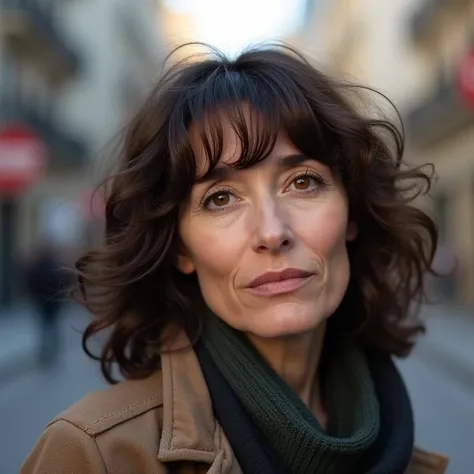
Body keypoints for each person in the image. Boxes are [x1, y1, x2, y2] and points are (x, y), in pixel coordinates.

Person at [21, 44, 449, 474]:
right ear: (180, 247)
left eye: (303, 182)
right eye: (220, 198)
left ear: (351, 211)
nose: (271, 232)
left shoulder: (402, 455)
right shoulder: (96, 455)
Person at [25, 243, 68, 366]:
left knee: (43, 326)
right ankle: (54, 351)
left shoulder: (36, 267)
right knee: (54, 326)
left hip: (41, 302)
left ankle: (44, 352)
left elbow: (30, 282)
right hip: (54, 302)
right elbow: (62, 284)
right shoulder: (55, 267)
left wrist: (34, 296)